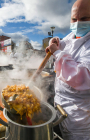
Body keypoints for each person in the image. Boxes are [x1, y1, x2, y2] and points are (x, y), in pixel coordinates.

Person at [45, 0, 90, 139]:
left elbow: (82, 76)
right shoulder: (73, 35)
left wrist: (57, 53)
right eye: (74, 19)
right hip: (62, 110)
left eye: (83, 19)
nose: (77, 23)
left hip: (80, 119)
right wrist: (56, 42)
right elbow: (66, 44)